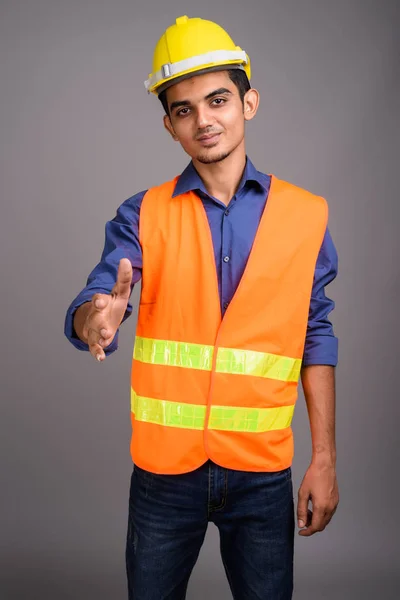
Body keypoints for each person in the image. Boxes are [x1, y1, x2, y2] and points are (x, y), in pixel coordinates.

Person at [65, 15, 339, 600]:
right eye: (184, 109)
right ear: (169, 126)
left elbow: (315, 336)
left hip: (262, 474)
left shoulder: (306, 214)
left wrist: (324, 458)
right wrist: (97, 320)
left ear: (250, 102)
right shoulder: (143, 213)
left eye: (218, 99)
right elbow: (95, 300)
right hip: (164, 475)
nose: (204, 120)